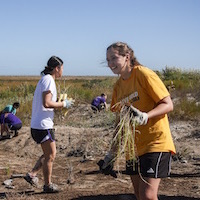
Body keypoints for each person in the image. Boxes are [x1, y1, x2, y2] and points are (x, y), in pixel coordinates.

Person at [98, 42, 176, 200]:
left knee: (148, 195)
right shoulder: (118, 86)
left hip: (154, 142)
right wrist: (111, 154)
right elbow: (120, 123)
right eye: (108, 60)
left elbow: (168, 104)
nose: (110, 64)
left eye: (114, 58)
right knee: (139, 195)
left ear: (127, 57)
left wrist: (145, 116)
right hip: (132, 148)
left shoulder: (143, 74)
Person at [24, 56, 74, 193]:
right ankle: (47, 185)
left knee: (48, 154)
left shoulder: (44, 80)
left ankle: (32, 174)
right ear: (57, 68)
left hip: (38, 124)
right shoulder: (49, 80)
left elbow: (47, 102)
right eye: (62, 68)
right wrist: (64, 104)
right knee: (51, 155)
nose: (62, 71)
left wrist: (58, 102)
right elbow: (47, 103)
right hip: (43, 125)